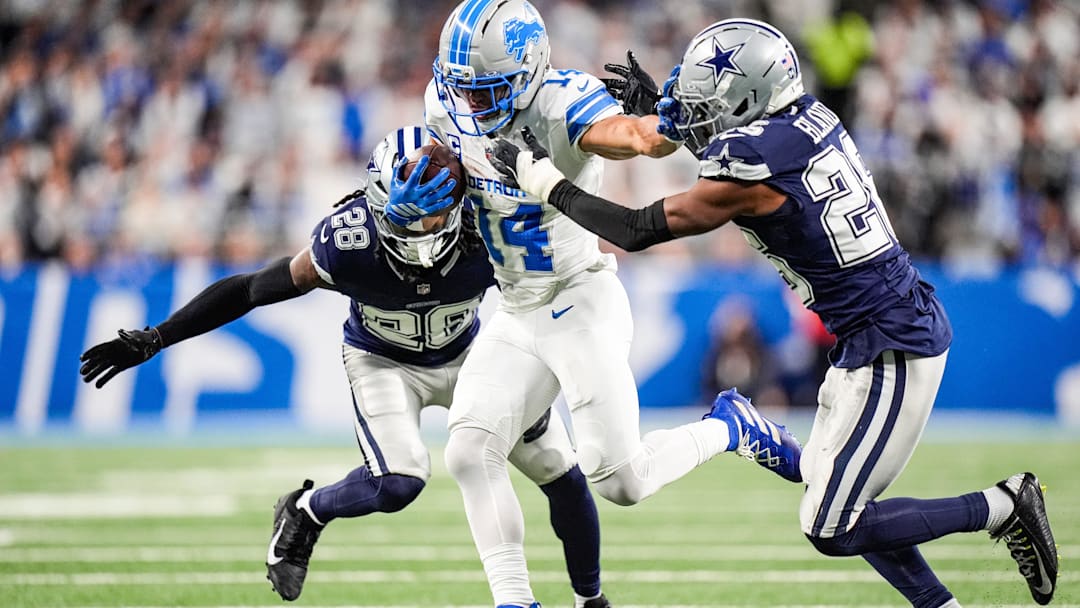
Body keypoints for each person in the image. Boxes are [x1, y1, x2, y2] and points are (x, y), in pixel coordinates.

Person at [489, 18, 1059, 608]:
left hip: (892, 342)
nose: (697, 109)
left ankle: (1005, 503)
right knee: (832, 495)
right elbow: (745, 160)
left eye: (709, 101)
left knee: (833, 523)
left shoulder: (752, 162)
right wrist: (667, 108)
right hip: (877, 326)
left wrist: (546, 182)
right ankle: (753, 432)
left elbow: (636, 230)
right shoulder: (806, 116)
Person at [78, 126, 611, 607]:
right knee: (399, 481)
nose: (422, 232)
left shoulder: (486, 228)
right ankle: (307, 509)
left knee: (558, 470)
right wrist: (159, 336)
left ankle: (591, 600)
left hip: (474, 354)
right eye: (407, 217)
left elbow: (552, 296)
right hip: (383, 362)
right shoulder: (347, 241)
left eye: (432, 216)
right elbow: (251, 289)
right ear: (376, 204)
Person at [388, 3, 803, 607]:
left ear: (528, 70)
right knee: (469, 448)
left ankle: (728, 426)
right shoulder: (445, 103)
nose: (472, 106)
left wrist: (662, 119)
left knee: (620, 480)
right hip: (514, 306)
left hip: (578, 297)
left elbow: (636, 138)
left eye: (487, 91)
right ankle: (515, 601)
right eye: (464, 90)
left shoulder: (560, 102)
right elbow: (451, 173)